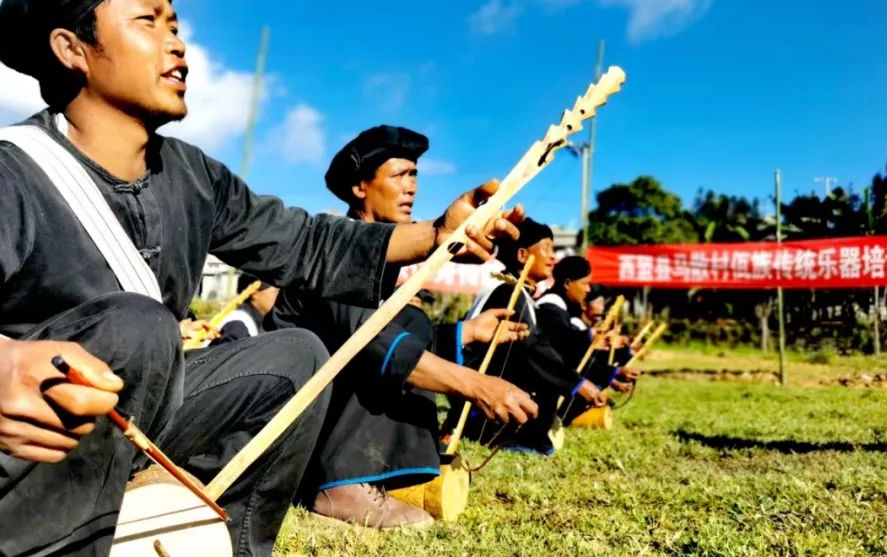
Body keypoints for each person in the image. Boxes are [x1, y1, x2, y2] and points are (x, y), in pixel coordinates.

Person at [0, 0, 522, 557]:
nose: (178, 43)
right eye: (148, 22)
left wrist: (437, 234)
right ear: (72, 49)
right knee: (136, 323)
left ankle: (222, 547)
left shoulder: (192, 176)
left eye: (176, 24)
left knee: (297, 356)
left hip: (132, 419)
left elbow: (307, 243)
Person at [269, 125, 535, 528]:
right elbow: (370, 342)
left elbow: (392, 337)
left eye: (415, 175)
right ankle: (338, 484)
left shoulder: (384, 270)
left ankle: (376, 474)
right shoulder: (339, 252)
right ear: (361, 187)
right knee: (394, 331)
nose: (411, 187)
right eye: (399, 175)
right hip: (290, 419)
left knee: (410, 317)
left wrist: (465, 333)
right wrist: (478, 385)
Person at [455, 222, 606, 452]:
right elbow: (530, 347)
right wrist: (576, 382)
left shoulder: (518, 291)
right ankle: (510, 436)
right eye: (546, 248)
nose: (553, 257)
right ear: (523, 255)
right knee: (545, 376)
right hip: (477, 401)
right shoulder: (508, 290)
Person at [534, 256, 632, 421]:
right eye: (584, 283)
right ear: (567, 283)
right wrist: (590, 337)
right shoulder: (550, 309)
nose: (588, 290)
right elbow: (564, 351)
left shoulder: (561, 310)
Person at [211, 273, 278, 345]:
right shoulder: (238, 324)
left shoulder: (259, 321)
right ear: (255, 293)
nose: (278, 296)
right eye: (275, 292)